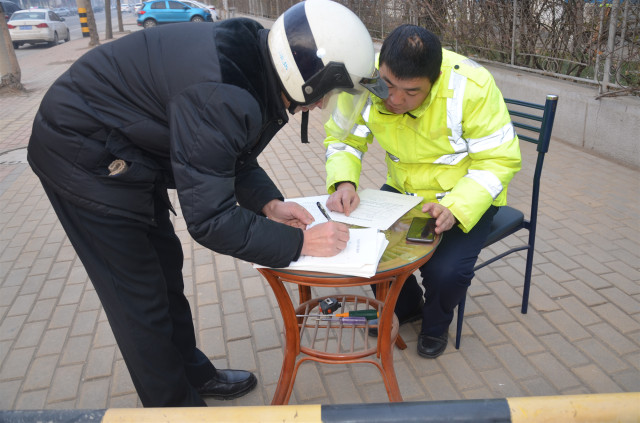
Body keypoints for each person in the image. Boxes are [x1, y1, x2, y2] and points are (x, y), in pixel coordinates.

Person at [27, 0, 387, 407]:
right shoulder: (223, 93)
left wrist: (268, 203)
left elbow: (226, 152)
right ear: (305, 76)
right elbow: (211, 220)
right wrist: (302, 243)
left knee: (166, 269)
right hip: (83, 157)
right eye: (327, 94)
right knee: (139, 298)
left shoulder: (255, 60)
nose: (321, 105)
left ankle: (194, 375)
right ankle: (175, 410)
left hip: (124, 149)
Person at [324, 25, 521, 359]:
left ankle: (436, 323)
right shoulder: (364, 77)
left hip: (464, 196)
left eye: (412, 92)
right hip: (403, 190)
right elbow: (343, 139)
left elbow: (498, 160)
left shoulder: (472, 87)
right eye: (387, 85)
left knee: (445, 270)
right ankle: (407, 306)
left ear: (435, 78)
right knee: (367, 250)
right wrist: (344, 182)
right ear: (379, 67)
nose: (395, 99)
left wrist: (456, 207)